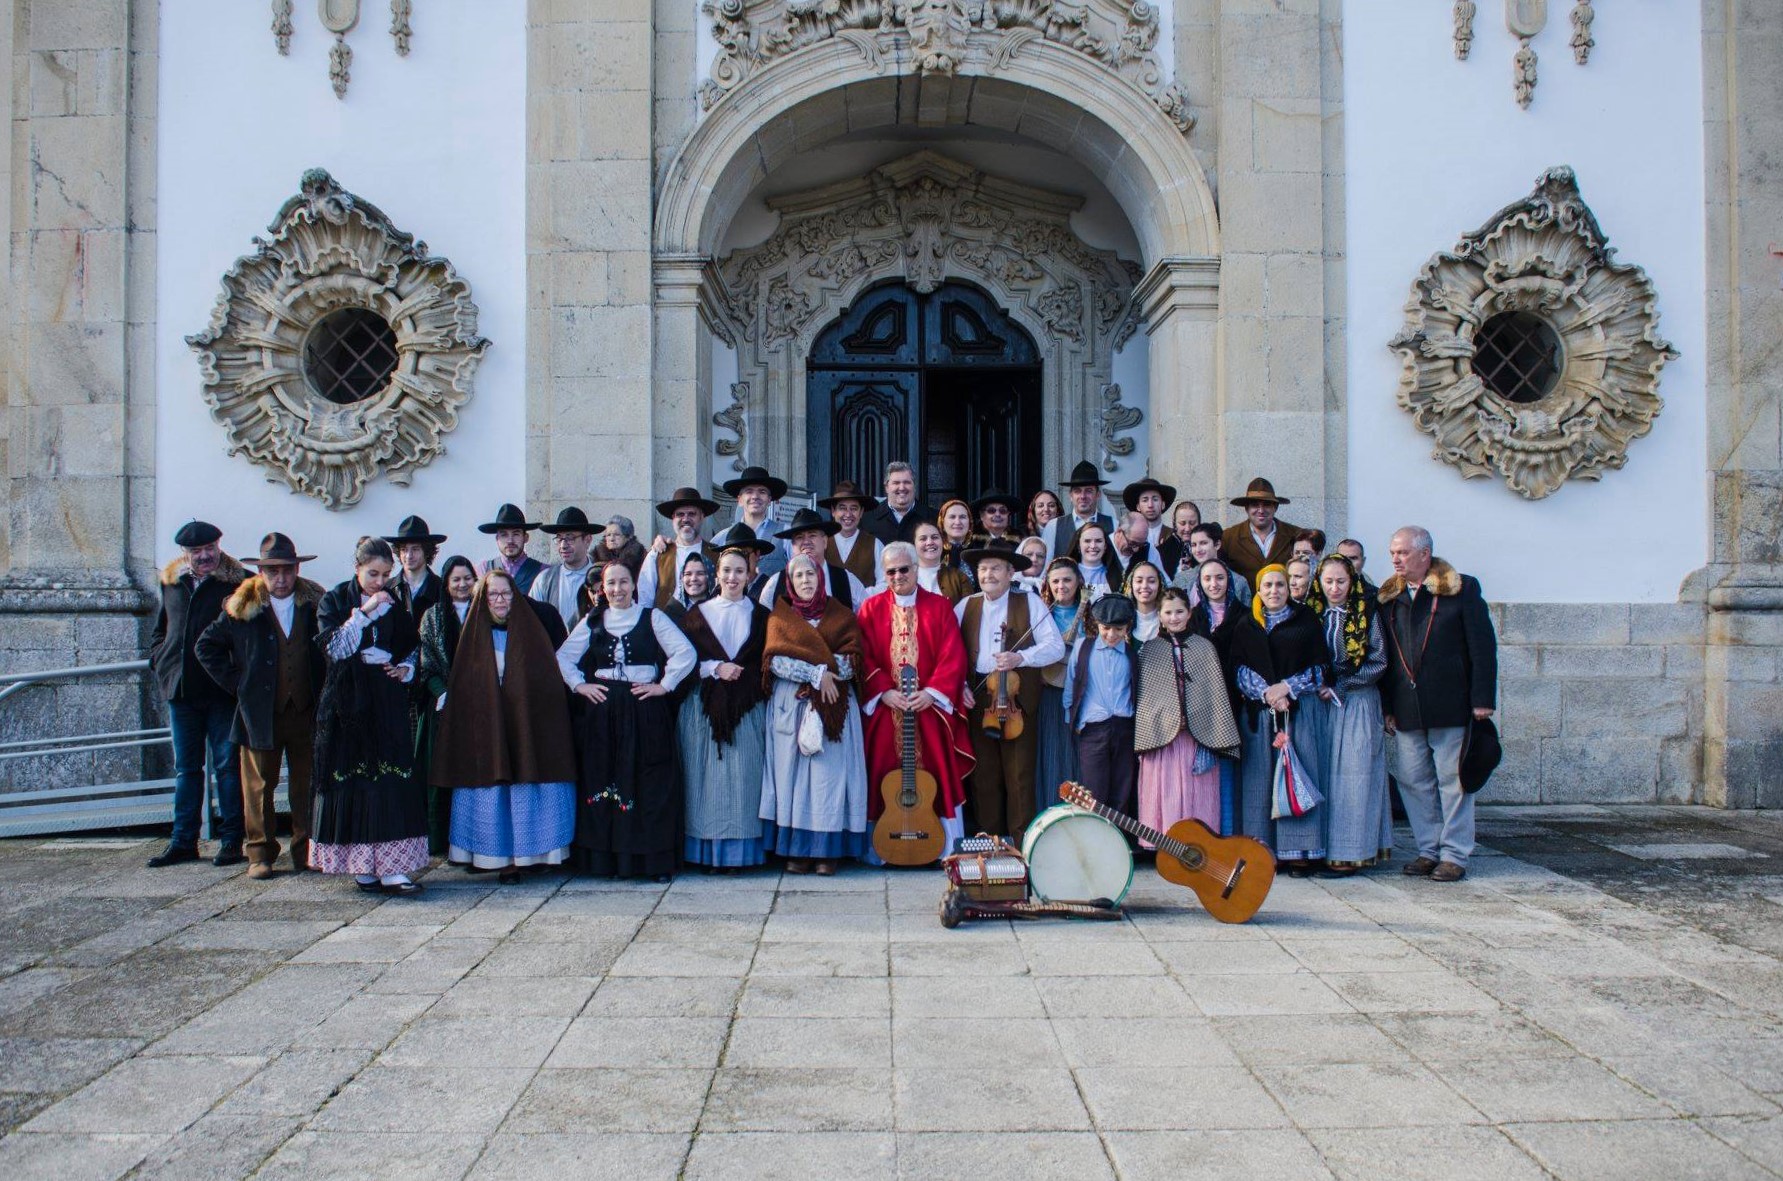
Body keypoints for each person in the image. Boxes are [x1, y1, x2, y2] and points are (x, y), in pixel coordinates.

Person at [432, 570, 577, 883]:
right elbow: (465, 682)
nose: (499, 600)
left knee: (527, 782)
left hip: (526, 721)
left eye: (505, 593)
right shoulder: (474, 635)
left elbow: (547, 679)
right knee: (494, 787)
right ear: (482, 599)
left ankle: (532, 855)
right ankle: (501, 859)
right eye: (492, 594)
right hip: (488, 723)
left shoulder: (532, 632)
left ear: (515, 596)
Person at [195, 532, 323, 880]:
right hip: (259, 712)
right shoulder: (243, 606)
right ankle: (260, 853)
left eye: (286, 570)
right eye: (273, 571)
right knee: (258, 786)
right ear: (262, 573)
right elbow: (206, 646)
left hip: (305, 710)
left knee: (305, 784)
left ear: (296, 570)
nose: (281, 578)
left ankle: (306, 850)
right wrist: (239, 685)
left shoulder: (313, 605)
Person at [558, 561, 697, 880]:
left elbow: (685, 653)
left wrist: (664, 685)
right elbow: (563, 657)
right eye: (611, 583)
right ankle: (607, 860)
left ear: (634, 585)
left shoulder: (653, 617)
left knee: (648, 780)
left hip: (643, 707)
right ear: (602, 588)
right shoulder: (593, 620)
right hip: (604, 710)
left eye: (623, 582)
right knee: (605, 777)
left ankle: (651, 861)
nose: (617, 589)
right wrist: (580, 685)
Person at [1379, 526, 1497, 884]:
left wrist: (1482, 699)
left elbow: (1482, 647)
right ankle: (1428, 849)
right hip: (1407, 705)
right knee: (1414, 781)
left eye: (1402, 552)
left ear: (1424, 554)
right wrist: (1387, 706)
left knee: (1453, 781)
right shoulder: (1390, 597)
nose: (1396, 559)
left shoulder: (1460, 590)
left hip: (1450, 703)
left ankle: (1454, 854)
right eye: (1393, 553)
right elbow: (1387, 657)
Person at [311, 538, 427, 895]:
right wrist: (363, 614)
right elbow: (335, 648)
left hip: (385, 701)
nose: (379, 582)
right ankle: (362, 866)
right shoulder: (334, 600)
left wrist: (404, 667)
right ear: (357, 568)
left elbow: (412, 644)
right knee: (356, 781)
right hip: (348, 705)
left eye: (385, 574)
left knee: (390, 781)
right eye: (372, 574)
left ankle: (394, 867)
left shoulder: (394, 603)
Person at [857, 541, 975, 856]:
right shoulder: (870, 608)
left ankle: (943, 847)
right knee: (881, 767)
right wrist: (884, 692)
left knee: (937, 769)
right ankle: (883, 847)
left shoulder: (940, 606)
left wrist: (932, 693)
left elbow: (953, 653)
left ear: (916, 568)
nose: (898, 576)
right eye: (891, 571)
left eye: (904, 569)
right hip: (887, 707)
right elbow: (862, 655)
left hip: (929, 707)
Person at [760, 553, 869, 874]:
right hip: (792, 706)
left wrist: (826, 675)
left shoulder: (841, 615)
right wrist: (816, 673)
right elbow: (775, 661)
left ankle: (827, 852)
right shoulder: (780, 618)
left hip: (833, 705)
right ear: (790, 583)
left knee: (828, 778)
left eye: (811, 574)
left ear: (820, 578)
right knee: (792, 779)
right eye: (799, 576)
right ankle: (797, 850)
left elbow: (853, 660)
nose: (805, 580)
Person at [147, 520, 247, 868]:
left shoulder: (239, 583)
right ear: (184, 553)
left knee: (228, 767)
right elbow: (161, 628)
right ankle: (183, 841)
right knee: (186, 769)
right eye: (196, 551)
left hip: (221, 692)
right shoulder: (172, 583)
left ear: (219, 546)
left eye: (210, 548)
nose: (204, 556)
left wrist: (235, 677)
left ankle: (232, 840)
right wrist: (159, 659)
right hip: (181, 689)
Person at [955, 541, 1066, 842]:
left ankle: (1021, 841)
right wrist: (961, 685)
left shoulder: (1029, 602)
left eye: (995, 568)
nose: (988, 574)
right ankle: (988, 839)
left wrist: (1021, 657)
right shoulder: (965, 605)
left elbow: (1055, 647)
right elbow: (951, 652)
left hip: (1017, 698)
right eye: (983, 569)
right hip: (979, 696)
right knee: (983, 776)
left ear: (1009, 573)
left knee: (1019, 775)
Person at [1229, 564, 1331, 876]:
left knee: (1298, 777)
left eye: (1280, 585)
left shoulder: (1306, 620)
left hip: (1298, 713)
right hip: (1260, 715)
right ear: (1258, 590)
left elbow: (1320, 666)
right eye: (1268, 585)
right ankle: (1264, 851)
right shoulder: (1247, 623)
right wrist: (1268, 694)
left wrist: (1287, 687)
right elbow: (1238, 668)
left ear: (1289, 588)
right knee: (1260, 782)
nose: (1274, 591)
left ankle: (1300, 851)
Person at [676, 546, 772, 872]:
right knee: (705, 781)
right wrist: (715, 667)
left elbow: (767, 659)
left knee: (745, 778)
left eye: (739, 571)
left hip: (747, 708)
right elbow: (681, 661)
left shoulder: (761, 616)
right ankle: (707, 852)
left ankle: (741, 853)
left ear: (750, 575)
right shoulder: (696, 616)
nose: (732, 577)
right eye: (727, 571)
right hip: (704, 708)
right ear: (716, 575)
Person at [1135, 587, 1241, 840]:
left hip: (1198, 737)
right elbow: (1147, 698)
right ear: (1160, 615)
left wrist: (1196, 718)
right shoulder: (1150, 650)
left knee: (1198, 792)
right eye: (1168, 612)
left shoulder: (1204, 647)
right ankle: (1165, 842)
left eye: (1179, 612)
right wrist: (1166, 719)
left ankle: (1200, 842)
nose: (1174, 618)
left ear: (1189, 613)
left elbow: (1214, 693)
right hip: (1163, 739)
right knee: (1166, 791)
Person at [1315, 555, 1392, 876]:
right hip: (1322, 703)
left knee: (1354, 775)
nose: (1334, 588)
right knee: (1327, 777)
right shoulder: (1314, 614)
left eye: (1341, 581)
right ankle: (1324, 849)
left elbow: (1379, 660)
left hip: (1357, 701)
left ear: (1352, 582)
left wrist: (1344, 685)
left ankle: (1352, 851)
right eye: (1328, 581)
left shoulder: (1365, 614)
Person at [415, 556, 477, 855]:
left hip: (479, 706)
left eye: (467, 578)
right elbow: (426, 663)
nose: (462, 584)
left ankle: (472, 837)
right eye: (456, 579)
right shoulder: (433, 616)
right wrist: (443, 693)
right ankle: (439, 838)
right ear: (446, 583)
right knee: (440, 773)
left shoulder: (483, 612)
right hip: (443, 707)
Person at [1063, 593, 1141, 819]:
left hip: (1124, 728)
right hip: (1093, 729)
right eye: (1106, 628)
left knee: (1121, 792)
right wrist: (1073, 723)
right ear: (1097, 624)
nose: (1111, 634)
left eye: (1119, 629)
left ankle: (1117, 837)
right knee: (1093, 793)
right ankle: (1095, 837)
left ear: (1127, 627)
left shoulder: (1131, 654)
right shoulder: (1083, 648)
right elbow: (1071, 686)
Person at [1187, 556, 1246, 834]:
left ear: (1229, 581)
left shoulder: (1243, 615)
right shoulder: (1193, 617)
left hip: (1234, 701)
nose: (1214, 584)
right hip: (1200, 703)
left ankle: (1229, 834)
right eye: (1207, 578)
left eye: (1220, 578)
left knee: (1228, 771)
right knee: (1205, 775)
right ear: (1199, 583)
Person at [1035, 558, 1086, 816]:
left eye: (1067, 580)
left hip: (1082, 695)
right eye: (1055, 581)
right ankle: (1052, 814)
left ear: (1078, 582)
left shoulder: (1090, 615)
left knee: (1079, 757)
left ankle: (1080, 815)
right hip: (1050, 694)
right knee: (1052, 754)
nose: (1061, 586)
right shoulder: (1042, 614)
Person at [756, 508, 868, 609]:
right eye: (799, 537)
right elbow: (764, 620)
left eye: (812, 535)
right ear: (793, 545)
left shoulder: (847, 580)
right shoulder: (776, 583)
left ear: (824, 541)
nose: (806, 542)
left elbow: (867, 618)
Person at [639, 486, 720, 608]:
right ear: (673, 518)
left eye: (691, 514)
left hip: (706, 619)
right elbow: (645, 598)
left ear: (702, 517)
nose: (685, 519)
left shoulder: (717, 553)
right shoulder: (658, 554)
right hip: (665, 619)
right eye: (680, 514)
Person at [1222, 478, 1306, 586]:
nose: (1261, 510)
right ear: (1247, 508)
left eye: (1266, 504)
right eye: (1255, 505)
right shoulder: (1229, 537)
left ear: (1275, 507)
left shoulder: (1296, 535)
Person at [531, 506, 600, 628]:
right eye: (559, 538)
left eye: (570, 538)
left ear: (587, 540)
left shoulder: (602, 577)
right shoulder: (544, 580)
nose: (563, 545)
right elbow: (532, 621)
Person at [723, 465, 792, 578]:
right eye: (749, 491)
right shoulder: (723, 537)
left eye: (762, 491)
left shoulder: (786, 533)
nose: (755, 496)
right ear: (740, 500)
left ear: (769, 500)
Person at [1041, 460, 1114, 561]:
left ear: (1098, 495)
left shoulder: (1113, 524)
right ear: (1071, 496)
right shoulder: (1053, 526)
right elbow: (1046, 565)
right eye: (1077, 491)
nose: (1083, 496)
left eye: (1089, 491)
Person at [819, 480, 883, 593]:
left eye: (853, 508)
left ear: (861, 512)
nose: (848, 514)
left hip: (865, 604)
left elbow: (885, 583)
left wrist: (862, 595)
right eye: (842, 508)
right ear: (833, 511)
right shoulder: (822, 543)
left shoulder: (875, 544)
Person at [383, 516, 447, 623]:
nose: (409, 556)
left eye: (415, 549)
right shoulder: (387, 588)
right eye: (404, 549)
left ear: (427, 551)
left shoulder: (441, 589)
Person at [476, 503, 545, 595]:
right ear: (497, 538)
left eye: (516, 534)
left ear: (526, 537)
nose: (510, 541)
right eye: (504, 535)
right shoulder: (484, 570)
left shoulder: (542, 571)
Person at [862, 460, 935, 544]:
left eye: (907, 482)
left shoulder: (933, 518)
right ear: (886, 487)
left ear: (914, 486)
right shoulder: (866, 520)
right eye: (896, 483)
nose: (902, 488)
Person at [1180, 523, 1253, 606]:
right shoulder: (1182, 579)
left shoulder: (1238, 582)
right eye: (1194, 545)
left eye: (1203, 543)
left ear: (1217, 544)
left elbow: (1246, 613)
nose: (1198, 549)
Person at [911, 521, 973, 603]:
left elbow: (970, 608)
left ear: (943, 541)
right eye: (923, 539)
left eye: (935, 537)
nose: (929, 542)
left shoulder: (959, 577)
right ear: (914, 545)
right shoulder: (906, 576)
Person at [1068, 520, 1124, 596]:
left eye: (1098, 541)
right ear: (1078, 545)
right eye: (1087, 541)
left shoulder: (1118, 575)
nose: (1093, 546)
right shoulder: (1067, 573)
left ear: (1105, 546)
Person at [661, 551, 715, 625]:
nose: (693, 579)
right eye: (688, 574)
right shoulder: (672, 610)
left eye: (700, 573)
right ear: (682, 578)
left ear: (710, 577)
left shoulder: (719, 608)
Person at [1123, 477, 1176, 551]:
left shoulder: (1173, 536)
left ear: (1163, 505)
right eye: (1145, 500)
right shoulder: (1130, 538)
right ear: (1138, 507)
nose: (1150, 505)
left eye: (1155, 499)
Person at [1157, 500, 1202, 578]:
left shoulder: (1207, 548)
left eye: (1192, 523)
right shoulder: (1161, 552)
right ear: (1174, 524)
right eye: (1182, 523)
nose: (1187, 529)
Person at [1125, 559, 1166, 641]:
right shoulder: (1123, 619)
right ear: (1131, 585)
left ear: (1160, 585)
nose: (1144, 586)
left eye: (1151, 581)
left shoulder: (1169, 619)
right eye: (1139, 581)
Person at [601, 516, 649, 580]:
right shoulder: (597, 557)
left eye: (617, 534)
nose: (612, 539)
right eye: (608, 535)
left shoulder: (641, 557)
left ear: (629, 536)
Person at [937, 499, 975, 575]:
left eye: (962, 517)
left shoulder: (978, 550)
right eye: (952, 517)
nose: (957, 522)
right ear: (942, 522)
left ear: (969, 522)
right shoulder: (934, 551)